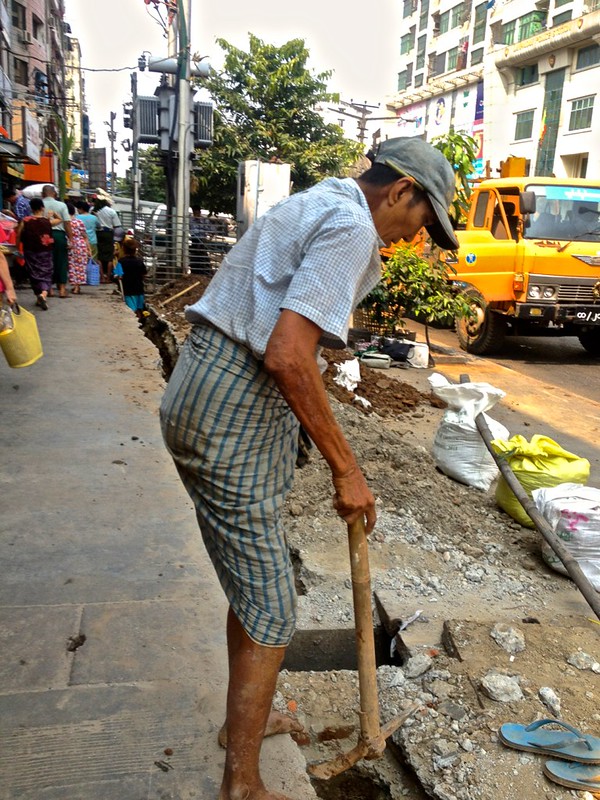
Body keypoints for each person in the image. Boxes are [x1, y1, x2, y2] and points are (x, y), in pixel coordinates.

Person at [159, 136, 459, 800]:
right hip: (231, 404)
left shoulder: (322, 201)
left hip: (211, 389)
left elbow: (294, 348)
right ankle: (241, 780)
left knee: (258, 585)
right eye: (422, 221)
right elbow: (288, 356)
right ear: (402, 190)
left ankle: (250, 720)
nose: (417, 237)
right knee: (270, 603)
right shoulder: (352, 223)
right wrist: (347, 470)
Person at [16, 197, 54, 310]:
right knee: (46, 273)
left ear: (31, 208)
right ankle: (43, 294)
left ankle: (39, 296)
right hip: (45, 252)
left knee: (34, 274)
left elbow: (18, 235)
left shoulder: (26, 221)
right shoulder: (47, 221)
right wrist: (53, 214)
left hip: (30, 251)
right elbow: (60, 219)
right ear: (42, 207)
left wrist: (17, 247)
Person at [42, 184, 72, 298]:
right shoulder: (61, 205)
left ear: (43, 194)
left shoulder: (39, 204)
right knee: (62, 262)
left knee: (46, 262)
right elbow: (67, 223)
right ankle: (62, 290)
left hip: (44, 236)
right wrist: (71, 239)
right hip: (59, 235)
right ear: (54, 194)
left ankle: (49, 289)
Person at [117, 237, 146, 320]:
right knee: (139, 308)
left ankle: (135, 324)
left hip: (128, 290)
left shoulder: (121, 262)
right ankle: (140, 323)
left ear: (124, 249)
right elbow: (144, 273)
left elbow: (118, 275)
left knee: (132, 309)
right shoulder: (139, 261)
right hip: (139, 288)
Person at [94, 198, 121, 283]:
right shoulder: (111, 211)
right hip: (108, 233)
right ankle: (108, 278)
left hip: (98, 233)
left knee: (99, 256)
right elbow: (117, 225)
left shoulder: (94, 210)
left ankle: (101, 277)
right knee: (109, 257)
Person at [66, 202, 91, 295]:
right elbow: (85, 236)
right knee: (80, 266)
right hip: (81, 245)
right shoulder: (79, 222)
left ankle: (76, 287)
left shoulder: (65, 222)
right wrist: (89, 249)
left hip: (71, 245)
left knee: (72, 266)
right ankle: (77, 286)